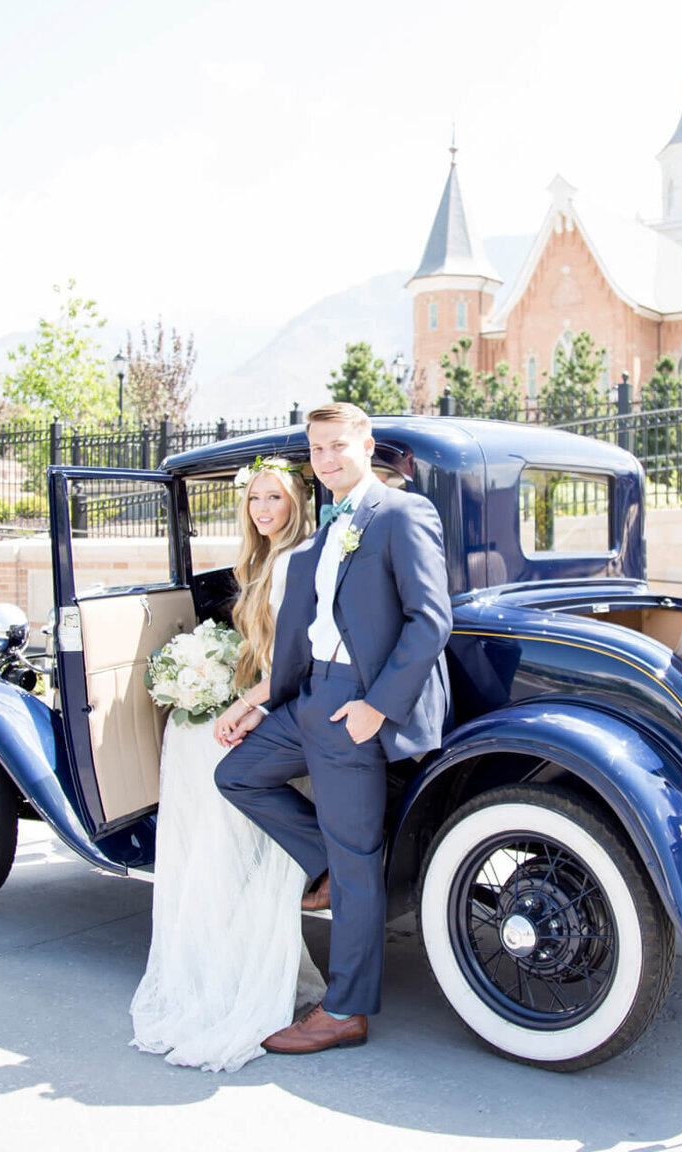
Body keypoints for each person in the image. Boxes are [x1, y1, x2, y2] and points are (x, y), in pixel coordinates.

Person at [215, 402, 452, 1054]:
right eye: (317, 450)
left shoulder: (401, 514)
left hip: (356, 705)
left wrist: (378, 705)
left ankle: (345, 1009)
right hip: (310, 695)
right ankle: (321, 866)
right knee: (236, 773)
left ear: (366, 444)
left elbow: (430, 620)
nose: (326, 460)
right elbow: (305, 630)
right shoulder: (327, 527)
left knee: (357, 868)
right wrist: (261, 703)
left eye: (337, 447)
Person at [130, 457, 326, 1072]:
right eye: (255, 500)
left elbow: (293, 660)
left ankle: (250, 923)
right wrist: (213, 672)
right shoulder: (260, 560)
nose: (264, 509)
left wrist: (246, 704)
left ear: (296, 502)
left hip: (287, 703)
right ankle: (214, 931)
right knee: (187, 736)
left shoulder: (298, 559)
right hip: (266, 693)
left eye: (275, 498)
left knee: (197, 745)